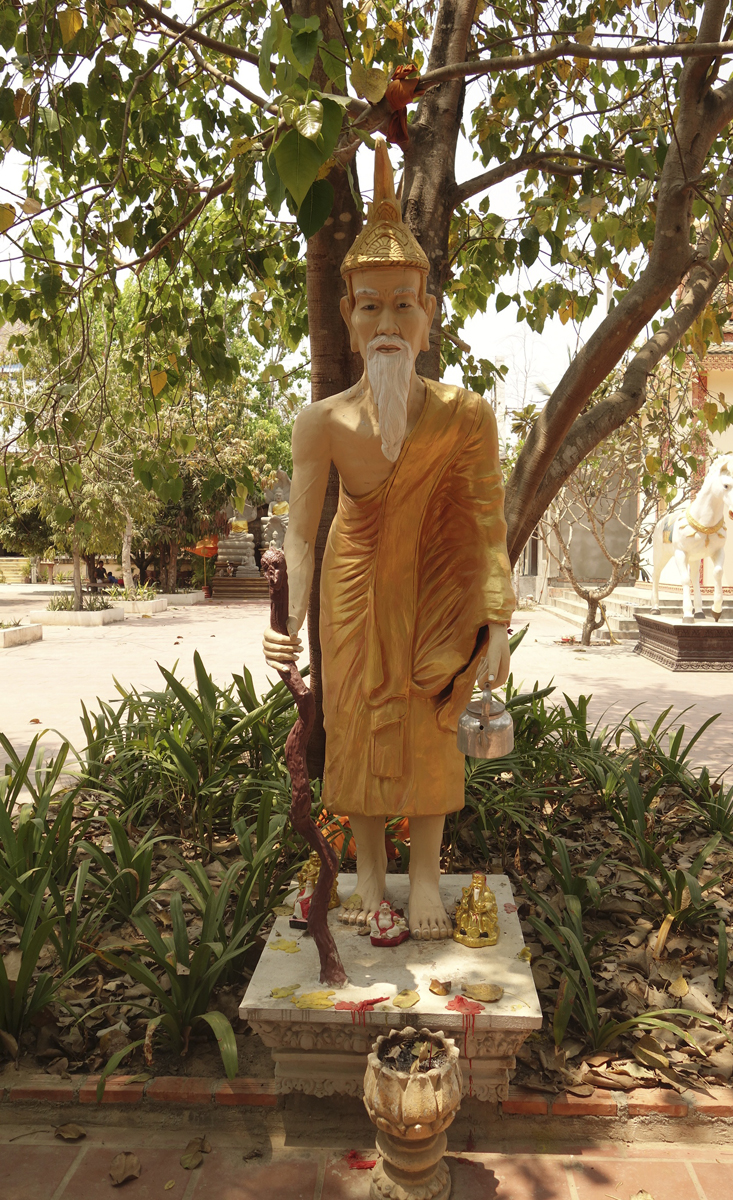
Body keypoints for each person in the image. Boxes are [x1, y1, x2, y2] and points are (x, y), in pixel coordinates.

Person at [262, 140, 514, 942]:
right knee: (362, 721)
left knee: (433, 719)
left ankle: (429, 878)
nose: (387, 323)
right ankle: (370, 878)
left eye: (403, 304)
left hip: (437, 584)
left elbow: (485, 519)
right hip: (352, 578)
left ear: (429, 313)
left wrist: (497, 619)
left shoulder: (466, 416)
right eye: (369, 305)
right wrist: (288, 624)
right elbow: (301, 533)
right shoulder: (323, 421)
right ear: (346, 314)